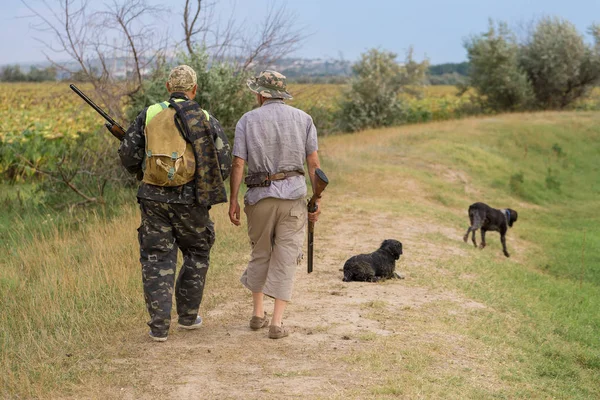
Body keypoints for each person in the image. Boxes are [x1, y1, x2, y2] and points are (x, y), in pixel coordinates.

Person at [119, 65, 229, 342]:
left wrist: (142, 172)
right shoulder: (204, 117)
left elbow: (128, 154)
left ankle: (158, 327)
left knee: (156, 258)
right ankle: (189, 317)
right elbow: (223, 162)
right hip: (192, 201)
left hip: (153, 199)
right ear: (194, 89)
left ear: (168, 87)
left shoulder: (151, 113)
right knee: (197, 253)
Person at [228, 70, 322, 339]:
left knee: (260, 253)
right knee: (286, 257)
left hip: (259, 198)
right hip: (293, 197)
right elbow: (314, 165)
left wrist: (233, 199)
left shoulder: (246, 120)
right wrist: (316, 200)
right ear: (282, 93)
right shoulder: (304, 119)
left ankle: (258, 314)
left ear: (261, 94)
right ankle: (277, 323)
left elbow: (238, 163)